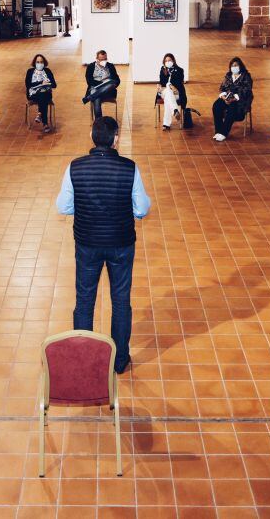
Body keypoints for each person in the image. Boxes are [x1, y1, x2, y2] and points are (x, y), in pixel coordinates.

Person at [56, 116, 150, 374]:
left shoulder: (75, 167)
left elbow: (62, 207)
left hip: (87, 243)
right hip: (121, 243)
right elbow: (141, 209)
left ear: (91, 137)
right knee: (120, 301)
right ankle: (120, 361)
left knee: (84, 299)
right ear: (116, 138)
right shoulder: (130, 168)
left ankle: (84, 358)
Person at [212, 56, 253, 141]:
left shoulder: (246, 76)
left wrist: (233, 99)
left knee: (232, 108)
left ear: (240, 66)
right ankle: (218, 131)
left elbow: (246, 91)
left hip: (239, 100)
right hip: (227, 98)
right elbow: (222, 88)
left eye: (236, 65)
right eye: (232, 66)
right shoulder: (228, 75)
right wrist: (224, 97)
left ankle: (224, 133)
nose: (234, 67)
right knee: (216, 105)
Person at [82, 49, 120, 120]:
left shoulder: (110, 66)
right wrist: (101, 84)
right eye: (101, 59)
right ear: (97, 59)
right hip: (95, 88)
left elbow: (117, 80)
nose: (103, 61)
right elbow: (89, 81)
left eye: (105, 59)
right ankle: (99, 123)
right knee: (97, 98)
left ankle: (90, 97)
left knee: (111, 84)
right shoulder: (91, 66)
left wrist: (111, 83)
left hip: (108, 90)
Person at [25, 54, 57, 133]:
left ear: (44, 63)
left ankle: (40, 114)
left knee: (43, 94)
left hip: (46, 93)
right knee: (42, 96)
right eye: (38, 62)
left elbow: (54, 85)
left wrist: (47, 83)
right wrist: (40, 82)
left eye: (41, 62)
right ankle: (45, 123)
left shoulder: (47, 71)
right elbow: (28, 84)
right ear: (35, 63)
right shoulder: (30, 71)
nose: (40, 64)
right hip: (33, 94)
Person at [156, 53, 187, 130]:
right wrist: (160, 85)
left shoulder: (180, 70)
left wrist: (169, 86)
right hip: (164, 91)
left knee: (168, 98)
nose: (167, 62)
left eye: (169, 60)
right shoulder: (162, 70)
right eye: (166, 61)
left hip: (176, 93)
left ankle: (166, 124)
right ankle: (175, 111)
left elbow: (179, 82)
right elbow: (162, 81)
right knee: (168, 92)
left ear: (173, 60)